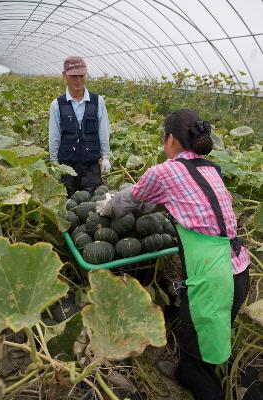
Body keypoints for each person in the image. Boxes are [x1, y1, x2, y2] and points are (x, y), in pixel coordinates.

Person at [96, 109, 250, 400]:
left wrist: (108, 207)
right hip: (239, 271)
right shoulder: (210, 168)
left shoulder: (164, 171)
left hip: (212, 279)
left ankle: (199, 384)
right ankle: (184, 374)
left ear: (170, 140)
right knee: (206, 340)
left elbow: (128, 201)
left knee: (198, 356)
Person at [49, 56, 111, 196]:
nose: (78, 80)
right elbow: (54, 135)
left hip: (91, 165)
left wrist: (106, 156)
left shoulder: (98, 101)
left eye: (81, 75)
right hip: (67, 166)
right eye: (73, 76)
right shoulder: (57, 104)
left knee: (93, 205)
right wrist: (54, 162)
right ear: (64, 75)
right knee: (68, 204)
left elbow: (103, 131)